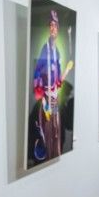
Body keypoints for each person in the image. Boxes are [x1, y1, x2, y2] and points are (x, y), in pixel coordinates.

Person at [32, 10, 73, 160]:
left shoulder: (57, 53)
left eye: (55, 25)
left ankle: (55, 155)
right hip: (46, 98)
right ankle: (47, 155)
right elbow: (37, 73)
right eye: (51, 25)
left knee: (56, 127)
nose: (53, 28)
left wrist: (67, 70)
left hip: (54, 96)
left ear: (58, 29)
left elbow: (58, 81)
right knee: (47, 127)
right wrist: (42, 96)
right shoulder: (45, 49)